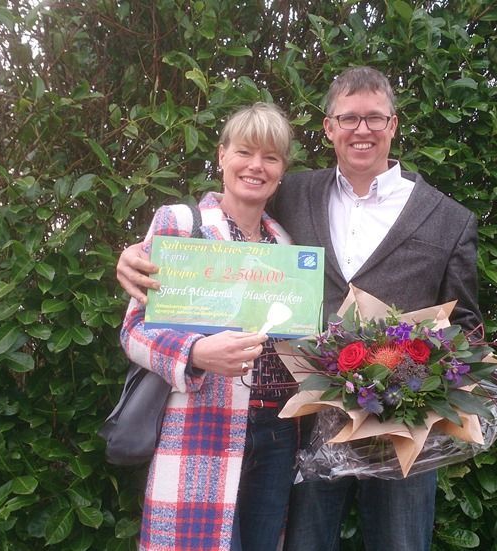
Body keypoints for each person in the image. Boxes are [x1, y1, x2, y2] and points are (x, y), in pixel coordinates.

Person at [117, 67, 483, 551]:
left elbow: (465, 330)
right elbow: (206, 241)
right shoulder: (292, 196)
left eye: (375, 118)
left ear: (393, 125)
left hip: (405, 435)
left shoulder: (450, 219)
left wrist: (421, 388)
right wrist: (132, 258)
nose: (362, 130)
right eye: (348, 118)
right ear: (329, 127)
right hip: (304, 426)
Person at [120, 102, 300, 551]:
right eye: (244, 152)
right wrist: (196, 354)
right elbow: (134, 331)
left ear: (281, 171)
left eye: (271, 157)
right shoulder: (182, 224)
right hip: (203, 424)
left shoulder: (286, 243)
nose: (256, 166)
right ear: (221, 156)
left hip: (278, 431)